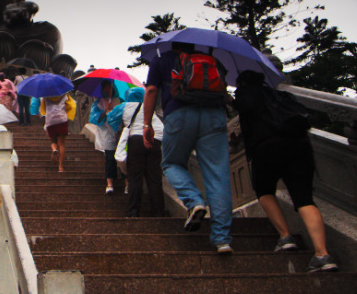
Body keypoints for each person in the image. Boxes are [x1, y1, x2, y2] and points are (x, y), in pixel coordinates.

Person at [235, 70, 338, 272]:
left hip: (267, 147)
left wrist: (229, 97)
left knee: (264, 190)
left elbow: (245, 108)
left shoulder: (246, 94)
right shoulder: (282, 96)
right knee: (304, 198)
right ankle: (322, 254)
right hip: (300, 146)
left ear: (243, 83)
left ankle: (285, 237)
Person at [143, 42, 233, 254]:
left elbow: (152, 90)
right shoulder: (209, 60)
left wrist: (147, 124)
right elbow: (223, 90)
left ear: (172, 43)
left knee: (171, 163)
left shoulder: (161, 59)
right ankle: (222, 239)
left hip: (179, 113)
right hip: (214, 115)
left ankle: (194, 201)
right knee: (218, 174)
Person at [114, 87, 165, 217]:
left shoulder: (124, 106)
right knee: (154, 178)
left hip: (136, 140)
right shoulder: (148, 106)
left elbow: (111, 119)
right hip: (154, 140)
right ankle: (158, 212)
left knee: (135, 178)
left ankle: (133, 211)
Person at [90, 80, 121, 194]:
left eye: (110, 87)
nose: (108, 90)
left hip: (120, 133)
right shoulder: (98, 103)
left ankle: (127, 184)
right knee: (110, 159)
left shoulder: (120, 101)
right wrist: (105, 112)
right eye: (106, 87)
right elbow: (94, 118)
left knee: (123, 158)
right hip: (107, 134)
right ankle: (110, 184)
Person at [40, 92, 75, 173]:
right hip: (62, 119)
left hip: (50, 120)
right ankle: (60, 168)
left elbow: (43, 108)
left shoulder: (46, 95)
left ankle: (54, 149)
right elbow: (71, 106)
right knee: (61, 143)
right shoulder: (65, 94)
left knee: (53, 140)